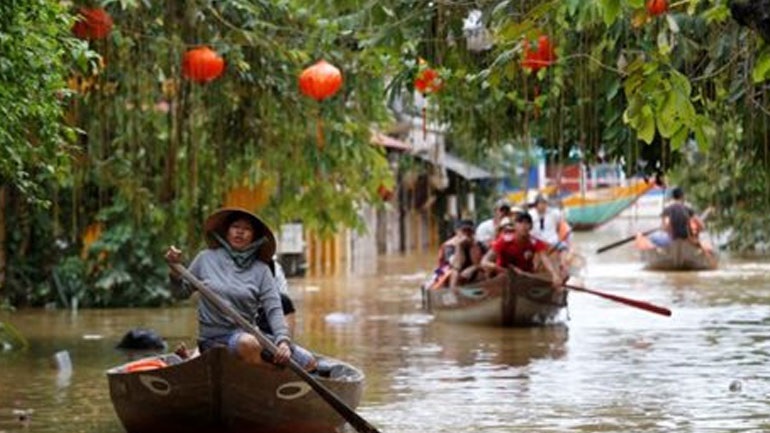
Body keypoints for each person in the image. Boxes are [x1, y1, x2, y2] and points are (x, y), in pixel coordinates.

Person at [165, 207, 316, 371]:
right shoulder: (206, 258)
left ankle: (268, 372)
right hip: (215, 339)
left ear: (254, 237)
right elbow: (180, 293)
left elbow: (274, 310)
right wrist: (174, 271)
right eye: (236, 227)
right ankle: (272, 375)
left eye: (247, 229)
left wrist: (283, 342)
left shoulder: (261, 270)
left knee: (308, 362)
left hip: (251, 334)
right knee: (247, 344)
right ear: (227, 231)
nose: (240, 232)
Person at [480, 213, 564, 289]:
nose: (524, 226)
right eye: (520, 222)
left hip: (526, 277)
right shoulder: (504, 241)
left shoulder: (534, 242)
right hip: (503, 276)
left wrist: (554, 275)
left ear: (531, 226)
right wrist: (498, 268)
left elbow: (545, 259)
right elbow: (484, 261)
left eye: (527, 223)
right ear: (515, 226)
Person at [430, 219, 486, 289]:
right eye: (464, 231)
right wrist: (459, 246)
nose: (467, 233)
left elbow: (480, 263)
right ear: (457, 232)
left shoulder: (478, 244)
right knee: (454, 273)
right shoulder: (449, 246)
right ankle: (453, 294)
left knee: (482, 272)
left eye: (469, 231)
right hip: (451, 272)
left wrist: (473, 267)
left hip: (471, 271)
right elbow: (456, 265)